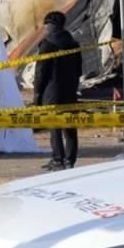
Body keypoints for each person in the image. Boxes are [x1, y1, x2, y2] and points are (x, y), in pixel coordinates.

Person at [32, 10, 82, 171]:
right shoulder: (74, 44)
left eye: (46, 25)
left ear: (50, 25)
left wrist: (37, 93)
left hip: (51, 92)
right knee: (70, 127)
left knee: (55, 127)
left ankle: (58, 160)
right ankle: (70, 160)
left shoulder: (47, 44)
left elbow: (41, 72)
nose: (45, 28)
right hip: (70, 91)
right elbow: (79, 70)